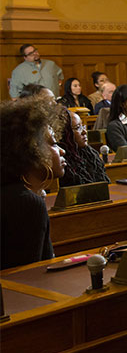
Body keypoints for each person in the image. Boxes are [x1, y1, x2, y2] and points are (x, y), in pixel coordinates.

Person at [1, 97, 65, 269]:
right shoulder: (25, 203)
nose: (62, 150)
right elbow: (27, 277)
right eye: (53, 143)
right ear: (30, 150)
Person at [58, 109, 110, 187]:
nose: (84, 131)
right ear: (64, 133)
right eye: (78, 128)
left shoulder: (90, 154)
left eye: (83, 126)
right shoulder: (61, 161)